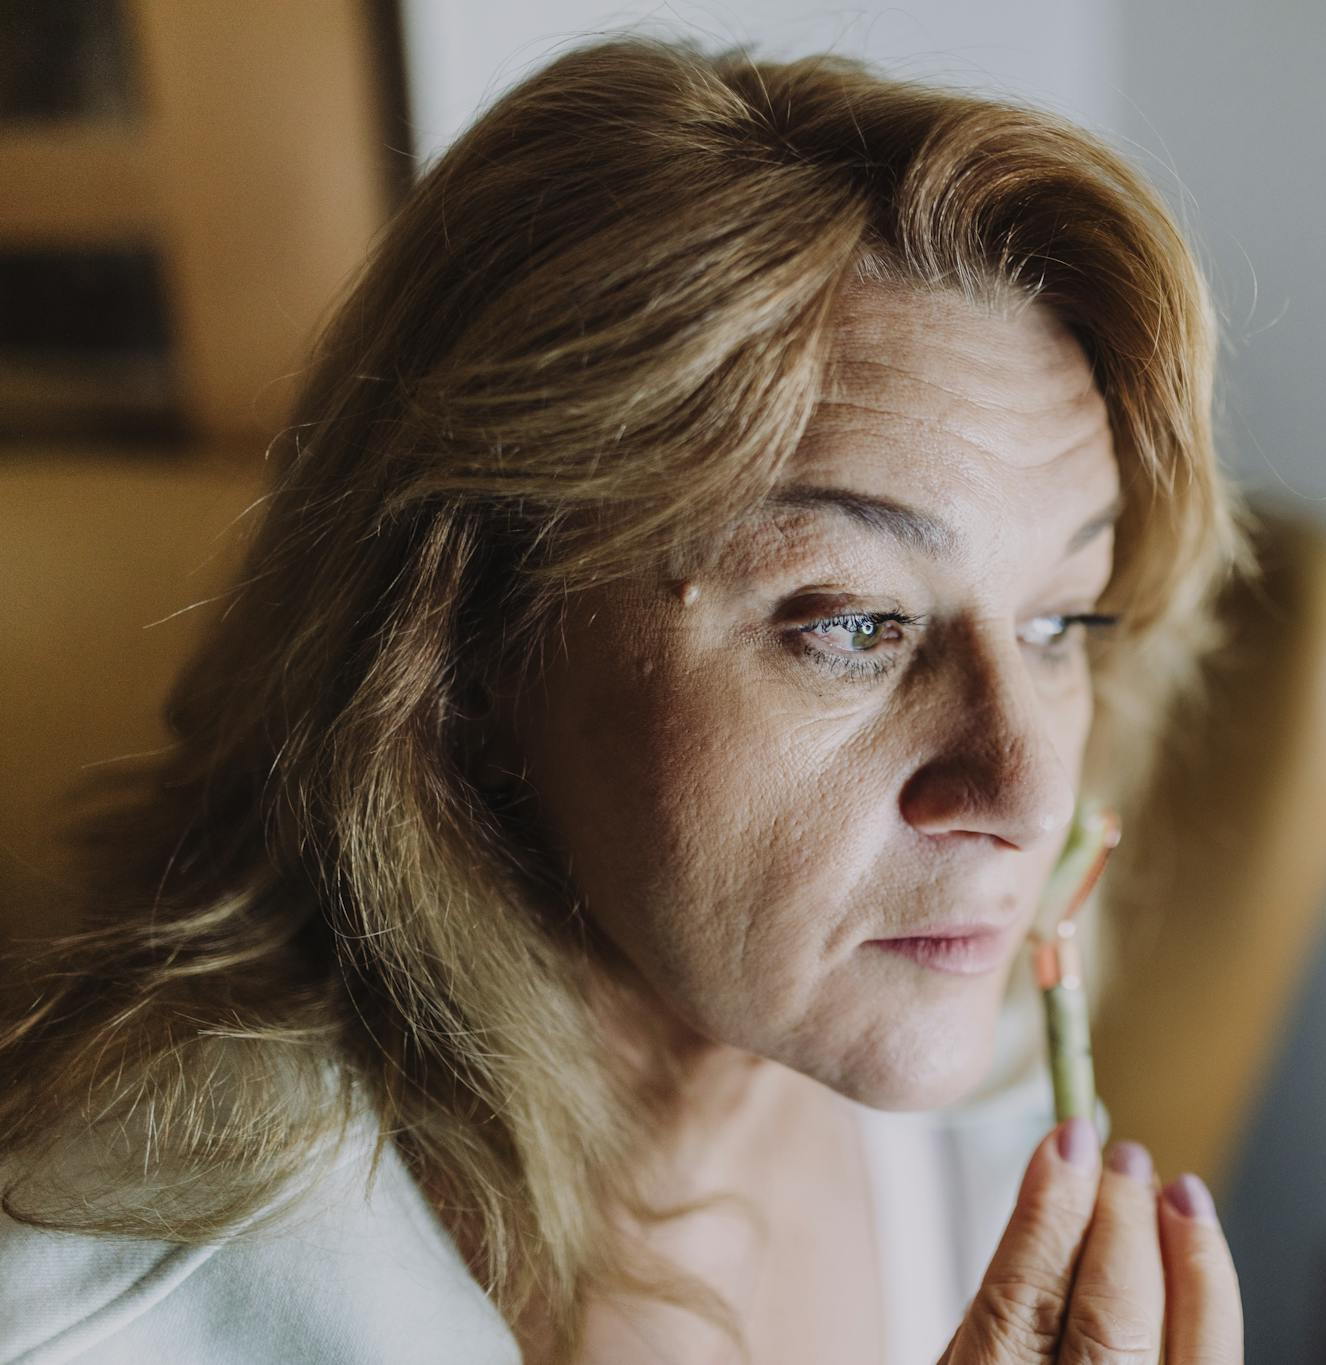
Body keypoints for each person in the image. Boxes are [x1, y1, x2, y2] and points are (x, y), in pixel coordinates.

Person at [0, 33, 1250, 1364]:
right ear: (469, 649)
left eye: (1061, 620)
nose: (1029, 791)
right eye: (853, 623)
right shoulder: (112, 1311)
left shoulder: (966, 1048)